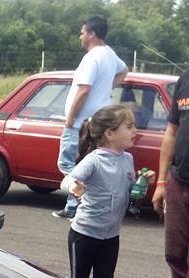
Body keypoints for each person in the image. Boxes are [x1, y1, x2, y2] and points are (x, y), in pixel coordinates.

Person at [60, 105, 148, 278]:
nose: (135, 131)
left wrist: (142, 184)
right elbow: (66, 180)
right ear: (109, 133)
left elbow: (131, 192)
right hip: (84, 234)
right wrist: (74, 186)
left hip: (111, 237)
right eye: (129, 126)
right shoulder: (94, 160)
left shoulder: (128, 159)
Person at [53, 15, 127, 220]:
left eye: (82, 33)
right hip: (98, 121)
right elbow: (124, 71)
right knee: (87, 162)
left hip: (81, 122)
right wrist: (108, 88)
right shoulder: (110, 54)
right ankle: (72, 206)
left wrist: (70, 118)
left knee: (67, 163)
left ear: (91, 34)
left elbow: (84, 90)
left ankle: (81, 203)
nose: (80, 37)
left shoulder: (91, 58)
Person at [153, 68, 189, 278]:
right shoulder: (185, 78)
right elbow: (171, 132)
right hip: (178, 180)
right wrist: (162, 182)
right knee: (175, 255)